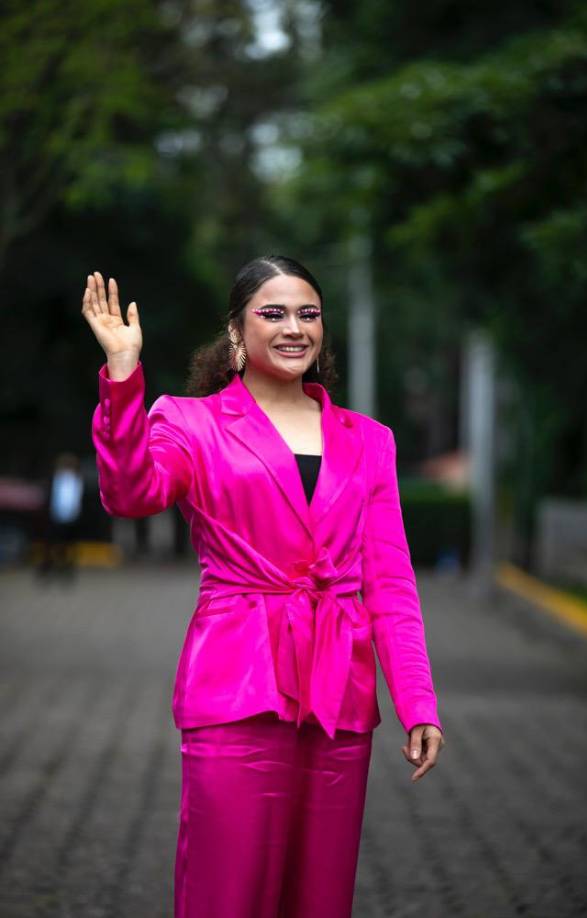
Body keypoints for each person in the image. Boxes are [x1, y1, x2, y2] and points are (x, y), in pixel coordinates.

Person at [82, 256, 445, 918]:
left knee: (319, 897)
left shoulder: (370, 441)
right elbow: (130, 494)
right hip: (236, 684)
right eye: (272, 313)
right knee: (226, 891)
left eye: (309, 314)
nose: (294, 328)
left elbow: (390, 583)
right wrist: (124, 374)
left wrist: (417, 702)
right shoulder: (190, 423)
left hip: (339, 696)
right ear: (236, 331)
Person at [37, 452, 84, 581]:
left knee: (68, 545)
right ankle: (48, 567)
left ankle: (65, 569)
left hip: (72, 519)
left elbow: (77, 499)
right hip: (54, 517)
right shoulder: (53, 479)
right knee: (50, 544)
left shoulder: (78, 480)